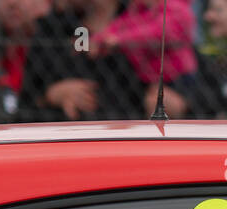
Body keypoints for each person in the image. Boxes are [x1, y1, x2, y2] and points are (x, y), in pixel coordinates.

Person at [17, 0, 146, 121]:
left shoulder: (144, 23)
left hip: (126, 135)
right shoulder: (53, 29)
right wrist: (50, 96)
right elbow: (25, 103)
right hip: (63, 133)